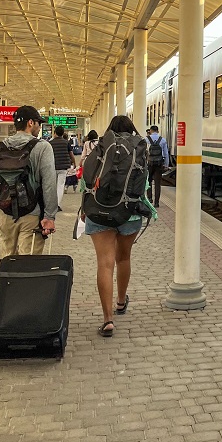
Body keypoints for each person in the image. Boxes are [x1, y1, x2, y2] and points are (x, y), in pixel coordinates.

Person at [82, 115, 146, 338]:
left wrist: (84, 208)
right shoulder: (138, 148)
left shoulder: (101, 146)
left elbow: (86, 178)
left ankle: (108, 320)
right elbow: (143, 184)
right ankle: (120, 302)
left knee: (105, 264)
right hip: (129, 213)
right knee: (124, 258)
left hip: (99, 211)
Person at [0, 105, 57, 257]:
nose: (39, 126)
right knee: (28, 265)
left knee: (8, 262)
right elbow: (49, 184)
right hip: (32, 214)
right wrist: (49, 217)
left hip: (4, 213)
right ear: (31, 123)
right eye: (38, 122)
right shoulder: (43, 147)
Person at [49, 125, 75, 210]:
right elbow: (71, 154)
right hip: (63, 167)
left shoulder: (50, 143)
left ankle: (51, 204)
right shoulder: (66, 142)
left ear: (55, 133)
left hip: (52, 167)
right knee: (60, 186)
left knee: (52, 186)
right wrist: (74, 163)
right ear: (63, 133)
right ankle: (57, 205)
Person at [146, 125, 169, 207]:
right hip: (159, 164)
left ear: (151, 131)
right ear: (158, 131)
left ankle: (149, 198)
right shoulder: (162, 140)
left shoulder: (146, 139)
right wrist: (166, 164)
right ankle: (157, 203)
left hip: (149, 163)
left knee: (148, 181)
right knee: (157, 183)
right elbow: (166, 154)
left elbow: (144, 152)